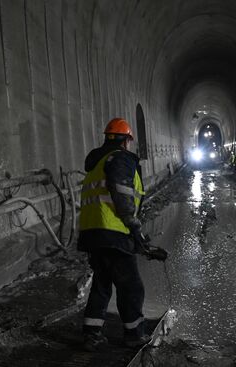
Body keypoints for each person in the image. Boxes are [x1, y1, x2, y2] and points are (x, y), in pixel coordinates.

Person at [77, 117, 150, 351]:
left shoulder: (97, 162)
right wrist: (134, 227)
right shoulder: (120, 159)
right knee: (131, 286)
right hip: (115, 231)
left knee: (102, 283)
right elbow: (122, 192)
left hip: (93, 233)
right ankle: (134, 334)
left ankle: (91, 334)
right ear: (126, 141)